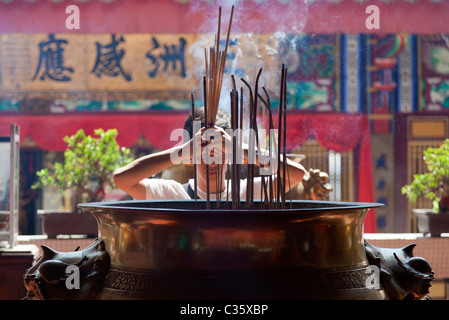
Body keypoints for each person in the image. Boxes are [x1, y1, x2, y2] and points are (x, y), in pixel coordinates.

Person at [113, 107, 307, 201]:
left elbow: (296, 174)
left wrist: (240, 149)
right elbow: (122, 179)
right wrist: (180, 151)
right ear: (190, 157)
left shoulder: (248, 192)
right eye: (204, 155)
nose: (212, 163)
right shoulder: (171, 193)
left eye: (220, 154)